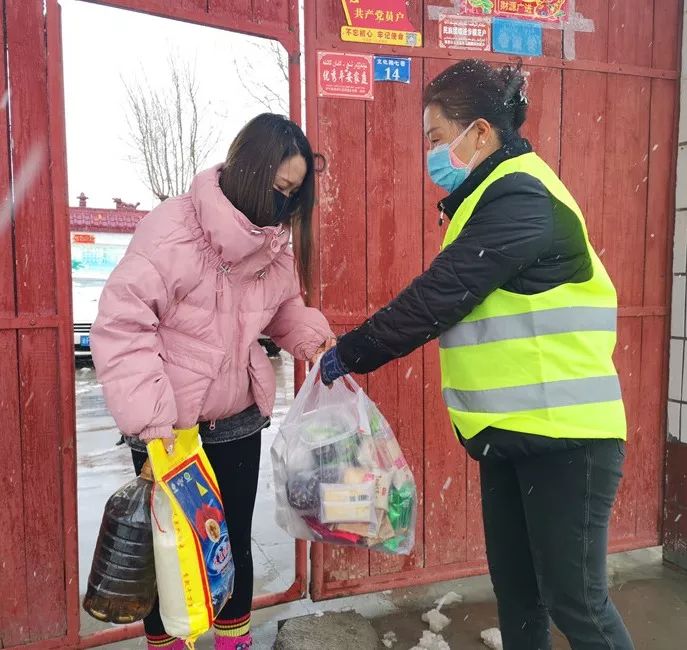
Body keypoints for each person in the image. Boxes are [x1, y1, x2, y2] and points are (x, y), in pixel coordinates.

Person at [320, 59, 634, 650]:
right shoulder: (484, 198)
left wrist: (352, 352)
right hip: (508, 435)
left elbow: (440, 295)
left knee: (578, 604)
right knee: (517, 595)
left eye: (438, 137)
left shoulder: (524, 196)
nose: (432, 152)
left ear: (481, 132)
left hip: (568, 440)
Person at [91, 113, 335, 650]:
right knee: (170, 550)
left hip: (238, 418)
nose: (284, 206)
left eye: (293, 196)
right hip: (166, 427)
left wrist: (310, 339)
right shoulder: (172, 228)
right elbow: (123, 323)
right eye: (279, 190)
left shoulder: (274, 244)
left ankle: (232, 643)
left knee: (231, 546)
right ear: (249, 172)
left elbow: (282, 309)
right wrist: (151, 423)